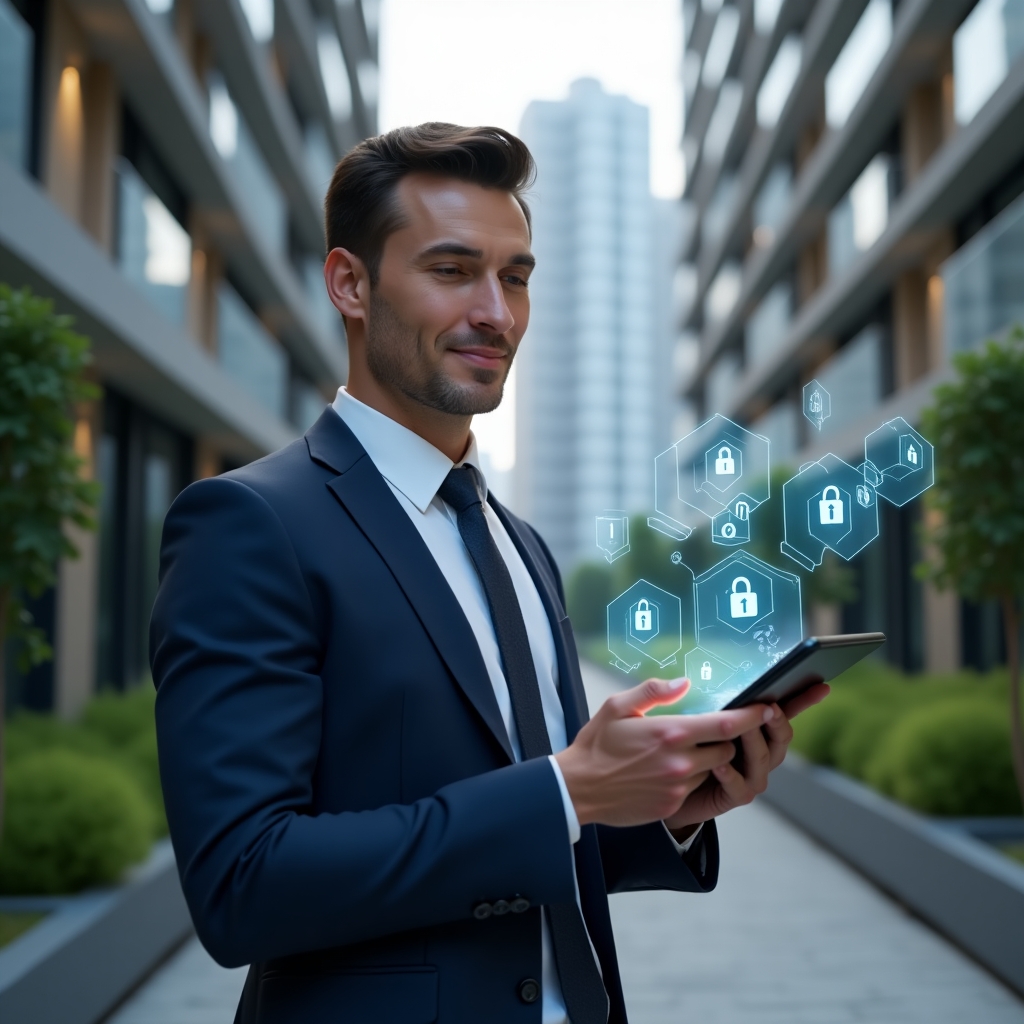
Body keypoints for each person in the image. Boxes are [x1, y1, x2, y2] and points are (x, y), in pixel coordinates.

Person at [150, 123, 828, 1024]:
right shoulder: (249, 524)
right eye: (452, 270)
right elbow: (243, 883)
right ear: (350, 284)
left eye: (515, 277)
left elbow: (541, 840)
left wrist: (665, 809)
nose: (497, 314)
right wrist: (567, 789)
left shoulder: (521, 544)